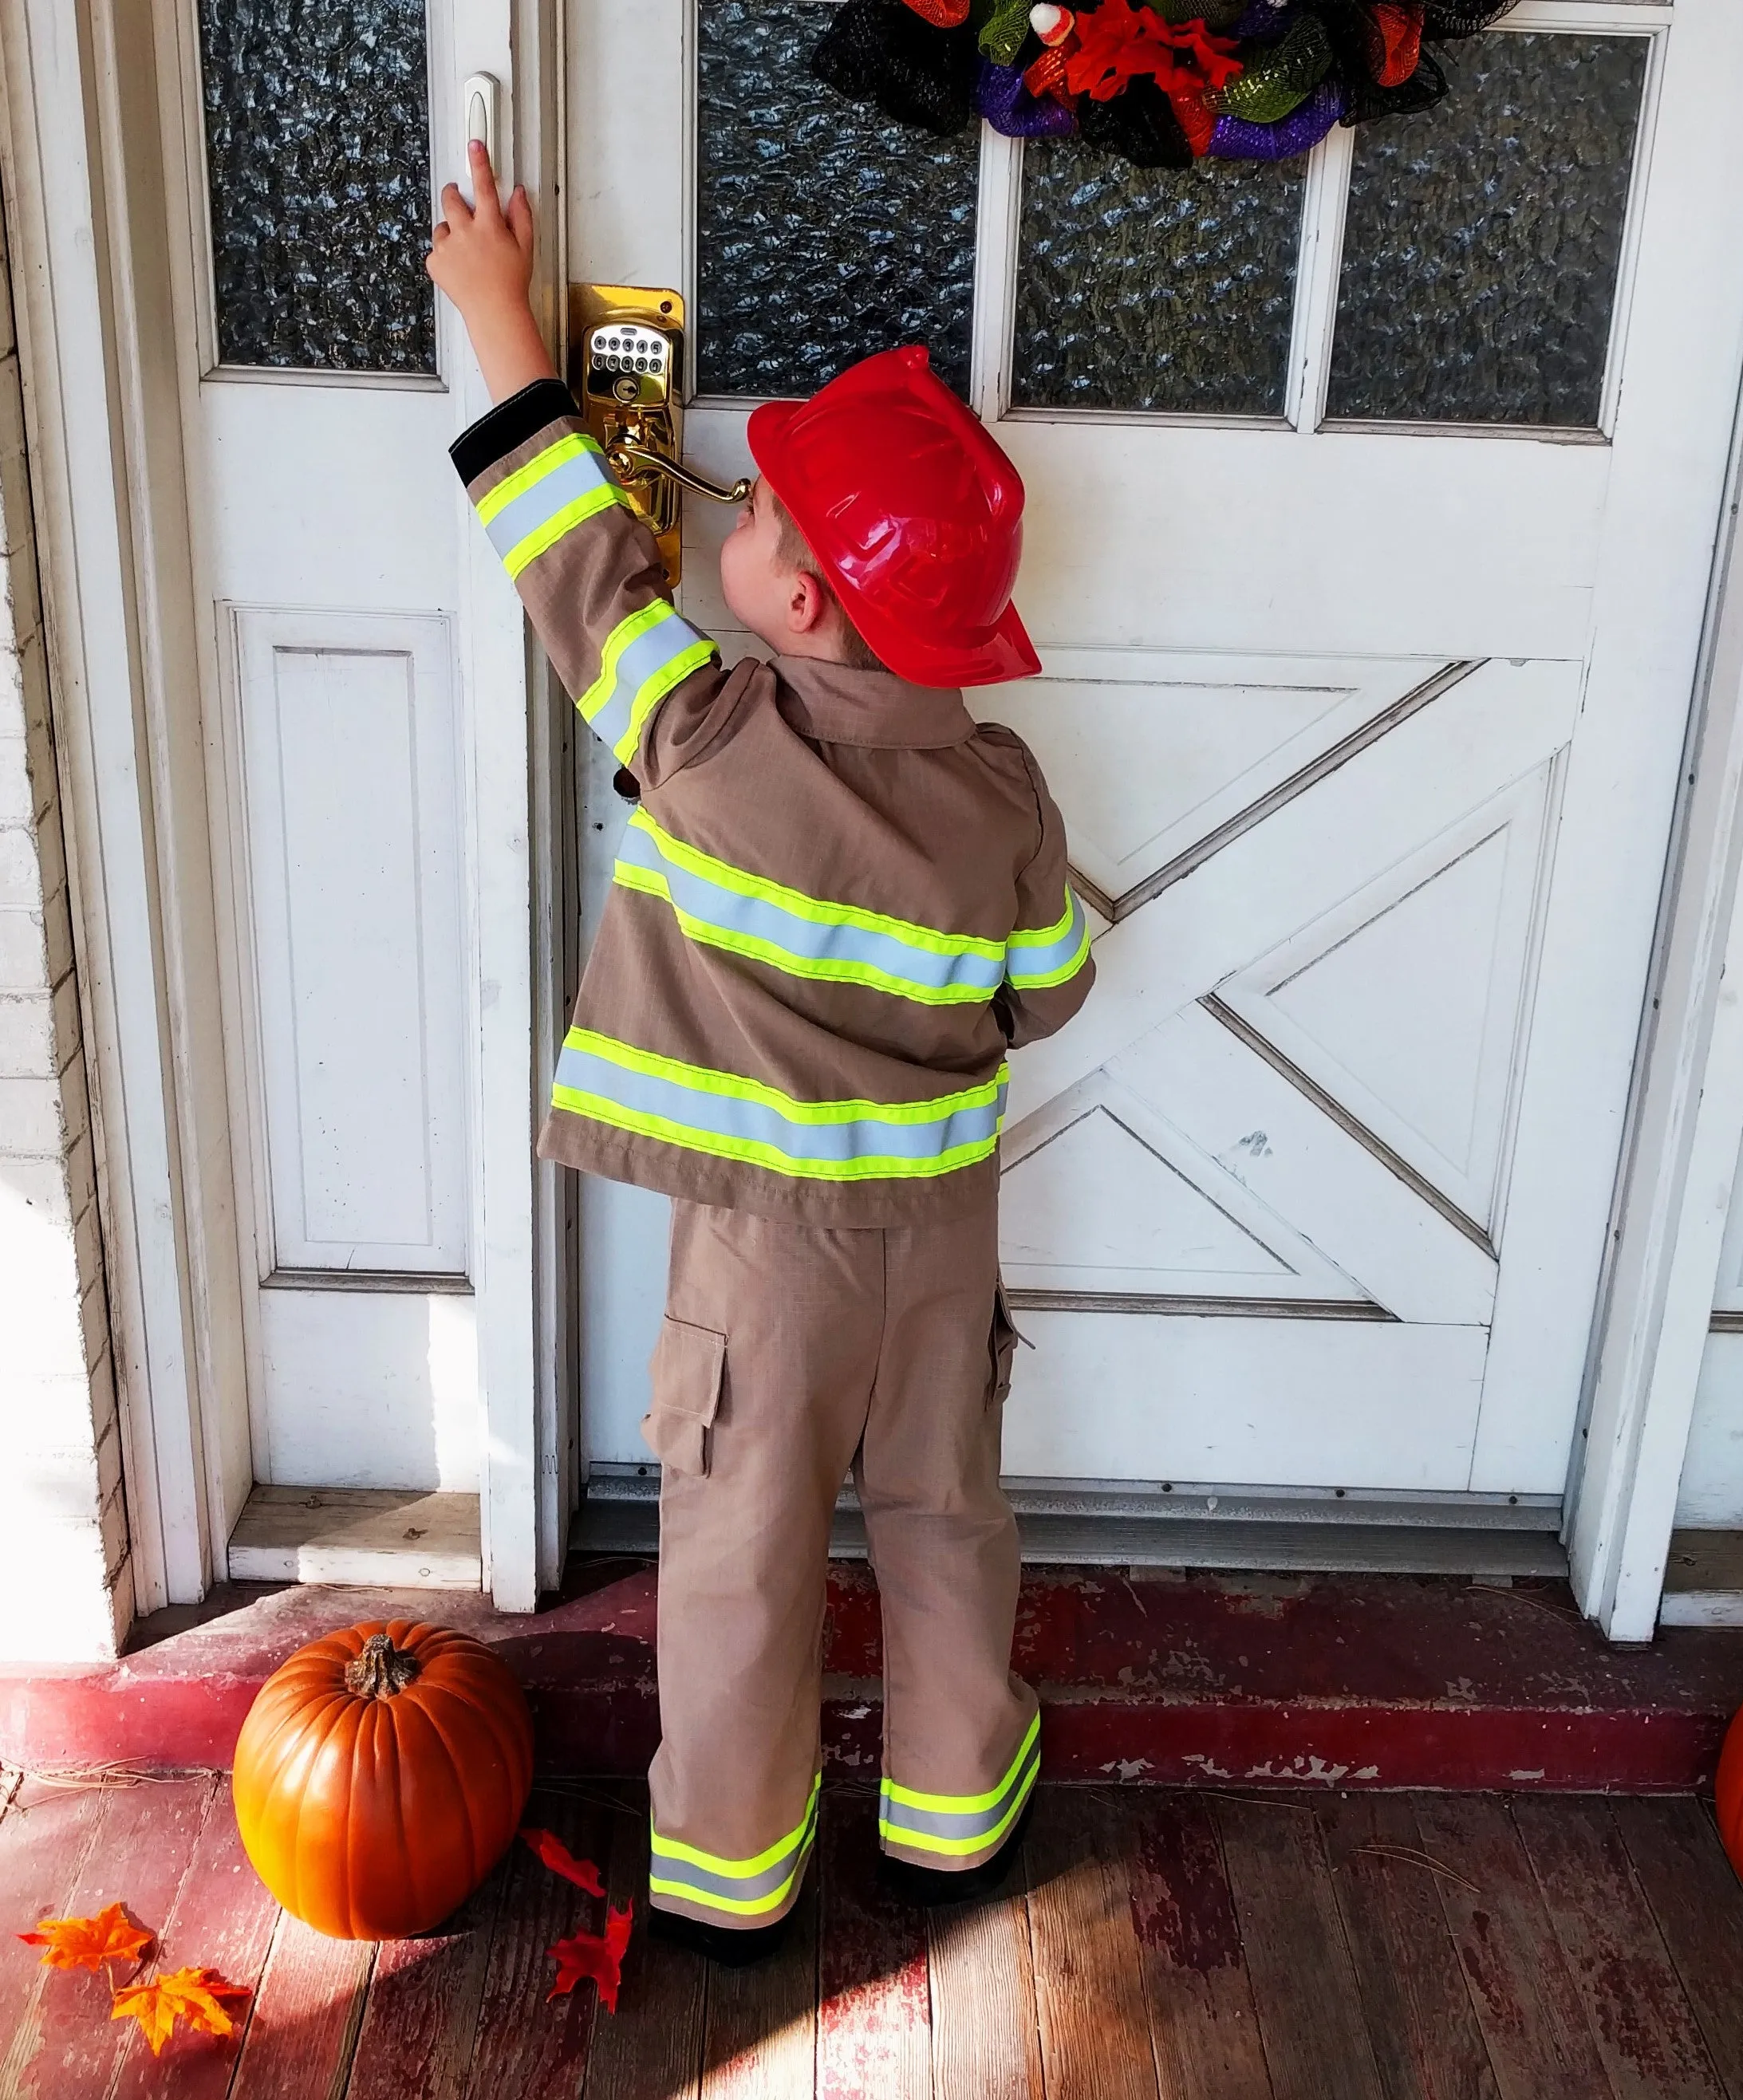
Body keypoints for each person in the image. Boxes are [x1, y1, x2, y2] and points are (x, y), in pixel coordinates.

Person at [427, 142, 1093, 1964]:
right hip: (940, 1243)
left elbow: (573, 576)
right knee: (947, 1513)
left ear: (797, 605)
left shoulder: (707, 743)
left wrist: (499, 320)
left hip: (763, 1256)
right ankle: (953, 1812)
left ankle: (730, 1871)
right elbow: (1048, 990)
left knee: (739, 1548)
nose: (727, 511)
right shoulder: (1005, 799)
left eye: (755, 514)